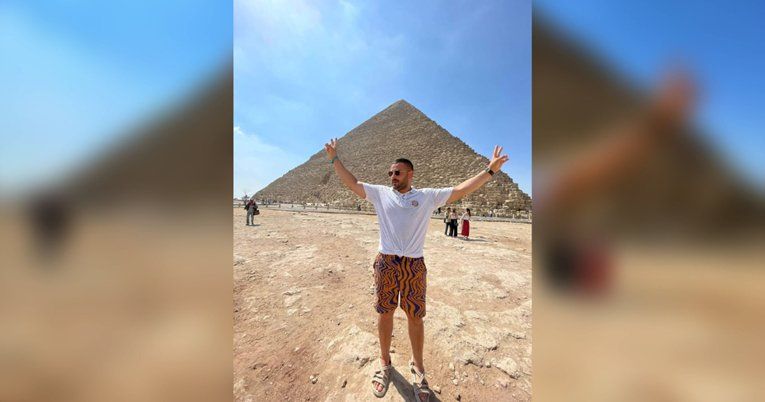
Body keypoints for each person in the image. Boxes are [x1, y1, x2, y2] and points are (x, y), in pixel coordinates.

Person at [324, 138, 509, 401]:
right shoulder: (380, 193)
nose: (392, 177)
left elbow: (460, 190)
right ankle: (385, 363)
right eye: (390, 173)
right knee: (384, 313)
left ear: (410, 174)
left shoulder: (426, 197)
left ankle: (418, 369)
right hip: (386, 262)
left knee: (415, 317)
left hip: (414, 265)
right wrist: (334, 158)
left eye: (397, 173)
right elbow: (352, 182)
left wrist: (490, 171)